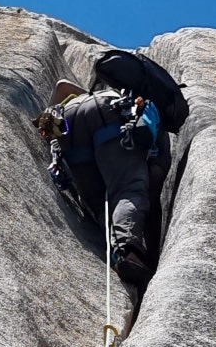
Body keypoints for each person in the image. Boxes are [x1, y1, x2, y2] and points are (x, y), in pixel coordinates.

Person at [35, 80, 162, 289]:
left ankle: (116, 249)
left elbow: (60, 86)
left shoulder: (79, 95)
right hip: (107, 114)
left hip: (68, 123)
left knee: (97, 203)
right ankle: (126, 251)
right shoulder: (114, 95)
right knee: (128, 189)